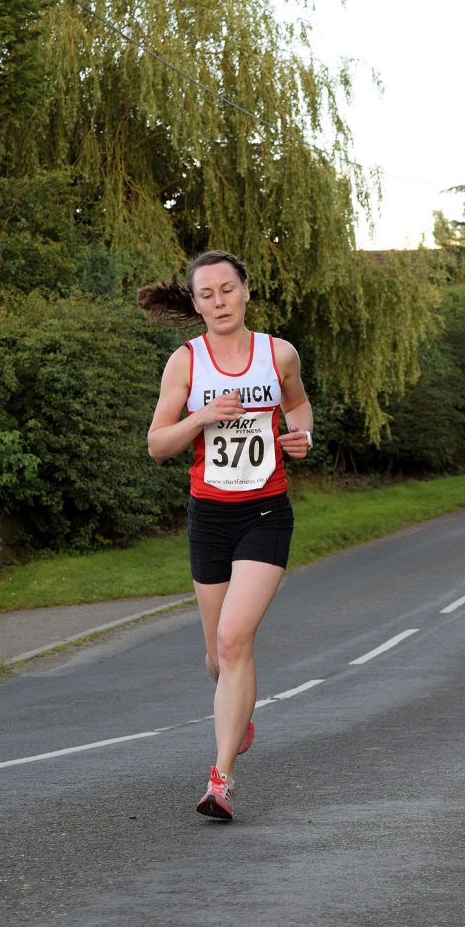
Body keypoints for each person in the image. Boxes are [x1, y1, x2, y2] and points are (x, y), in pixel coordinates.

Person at [142, 250, 313, 821]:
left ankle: (222, 781)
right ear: (195, 304)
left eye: (227, 290)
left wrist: (302, 437)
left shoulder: (278, 354)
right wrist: (202, 417)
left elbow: (299, 406)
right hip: (209, 518)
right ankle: (238, 713)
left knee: (237, 638)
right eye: (206, 295)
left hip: (266, 512)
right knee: (218, 657)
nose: (218, 302)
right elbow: (158, 444)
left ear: (245, 290)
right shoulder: (185, 363)